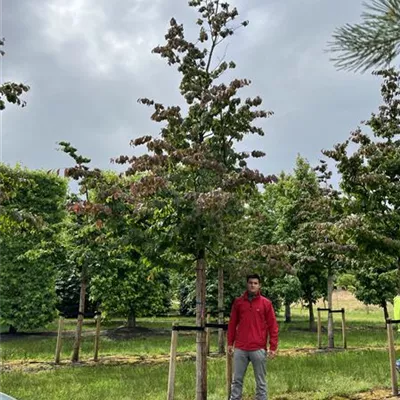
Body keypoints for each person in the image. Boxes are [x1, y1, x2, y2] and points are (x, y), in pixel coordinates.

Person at [227, 274, 279, 400]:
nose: (253, 285)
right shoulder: (238, 302)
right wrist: (230, 343)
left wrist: (273, 346)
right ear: (247, 284)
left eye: (255, 283)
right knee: (237, 380)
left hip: (258, 348)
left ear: (259, 285)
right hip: (241, 348)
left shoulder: (266, 303)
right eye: (250, 282)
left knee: (260, 382)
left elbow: (273, 325)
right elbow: (232, 323)